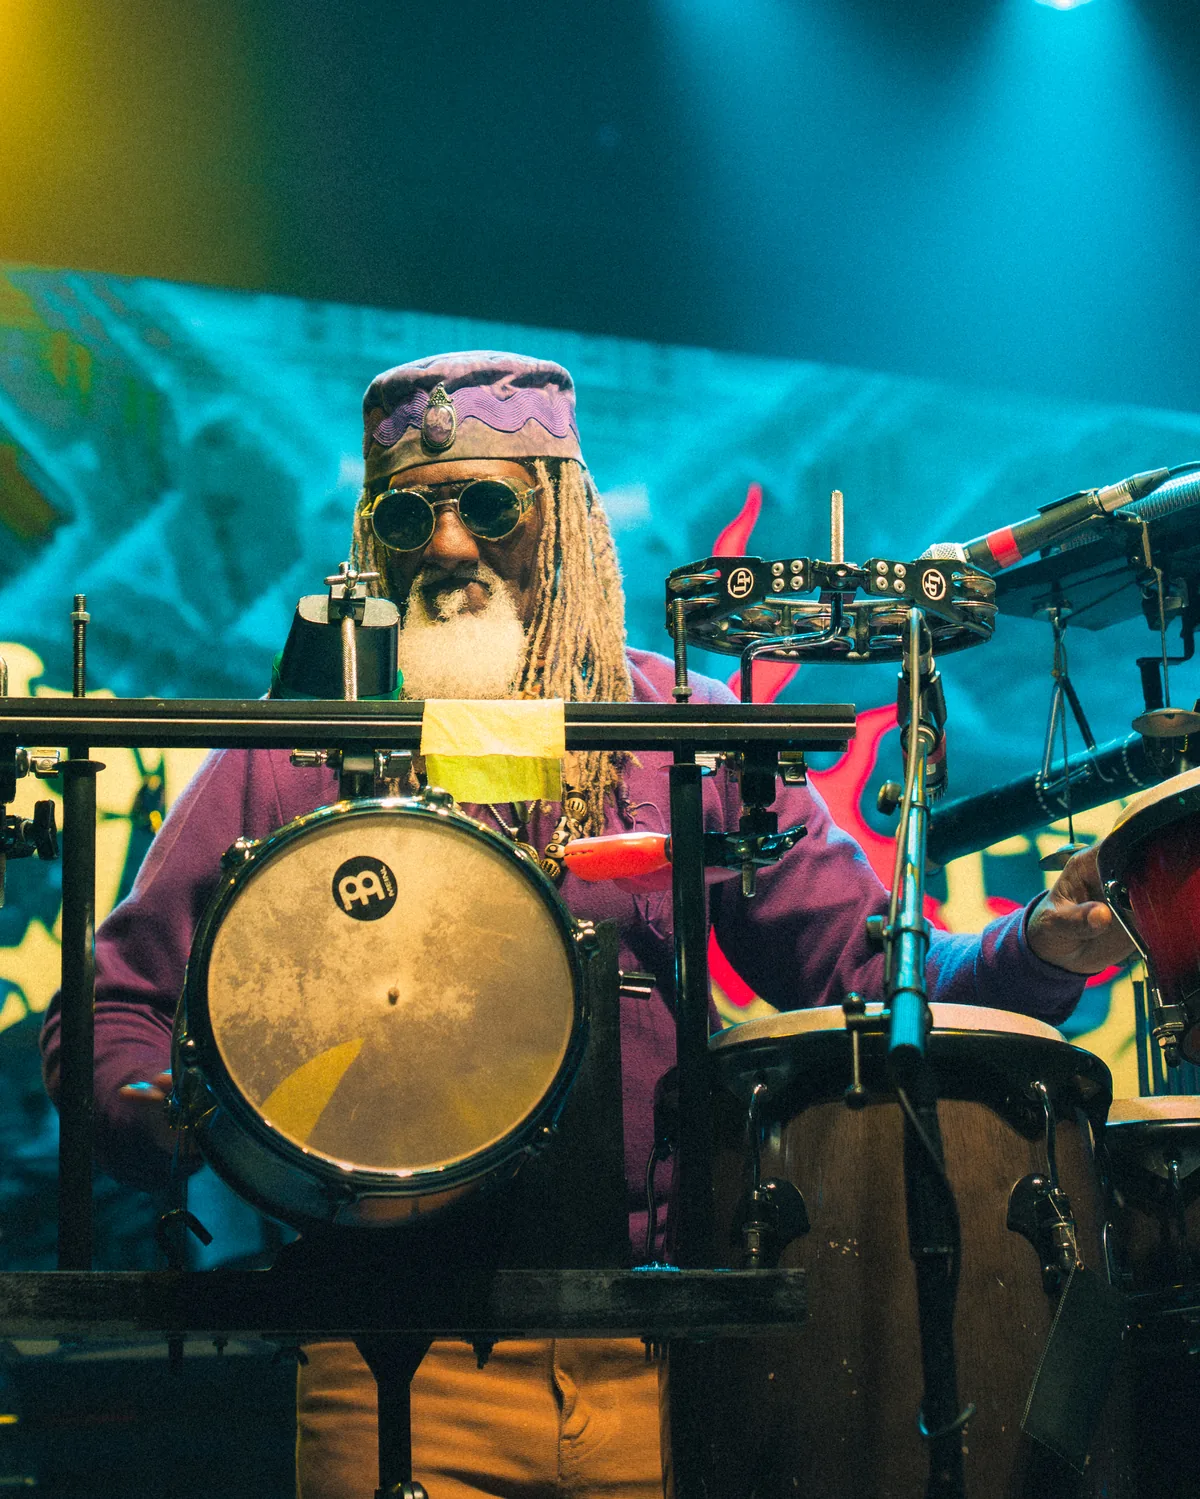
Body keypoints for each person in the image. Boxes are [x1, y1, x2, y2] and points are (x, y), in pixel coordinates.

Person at [40, 352, 1132, 1499]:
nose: (450, 545)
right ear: (374, 537)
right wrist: (160, 1116)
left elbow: (867, 967)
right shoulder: (302, 749)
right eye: (412, 511)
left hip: (662, 1347)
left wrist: (1041, 947)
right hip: (390, 1357)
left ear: (562, 517)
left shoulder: (681, 733)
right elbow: (112, 1012)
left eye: (492, 503)